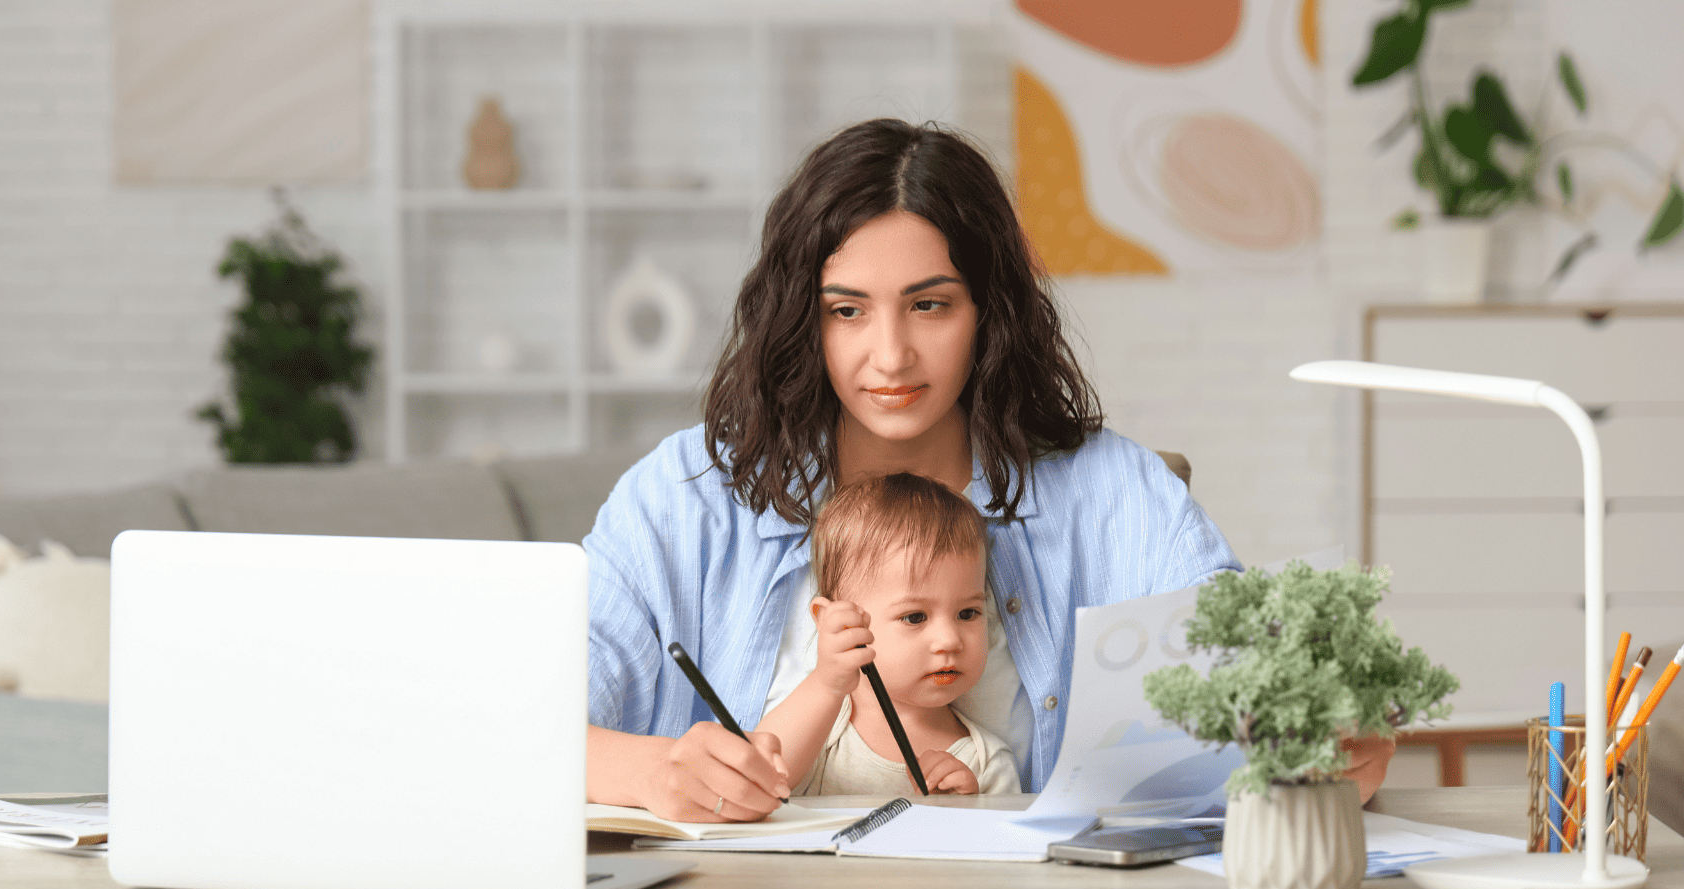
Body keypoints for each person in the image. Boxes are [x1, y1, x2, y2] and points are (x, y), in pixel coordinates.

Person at [582, 118, 1395, 822]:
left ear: (989, 313)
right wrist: (649, 773)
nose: (890, 354)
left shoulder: (1115, 495)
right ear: (803, 318)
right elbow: (507, 717)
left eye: (930, 304)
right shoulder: (686, 497)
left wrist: (1320, 742)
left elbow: (1249, 680)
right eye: (847, 310)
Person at [761, 472, 1020, 797]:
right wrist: (826, 681)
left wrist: (968, 810)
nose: (950, 640)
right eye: (914, 617)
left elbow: (1004, 846)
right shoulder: (821, 728)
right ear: (834, 622)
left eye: (967, 613)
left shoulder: (986, 764)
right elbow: (760, 775)